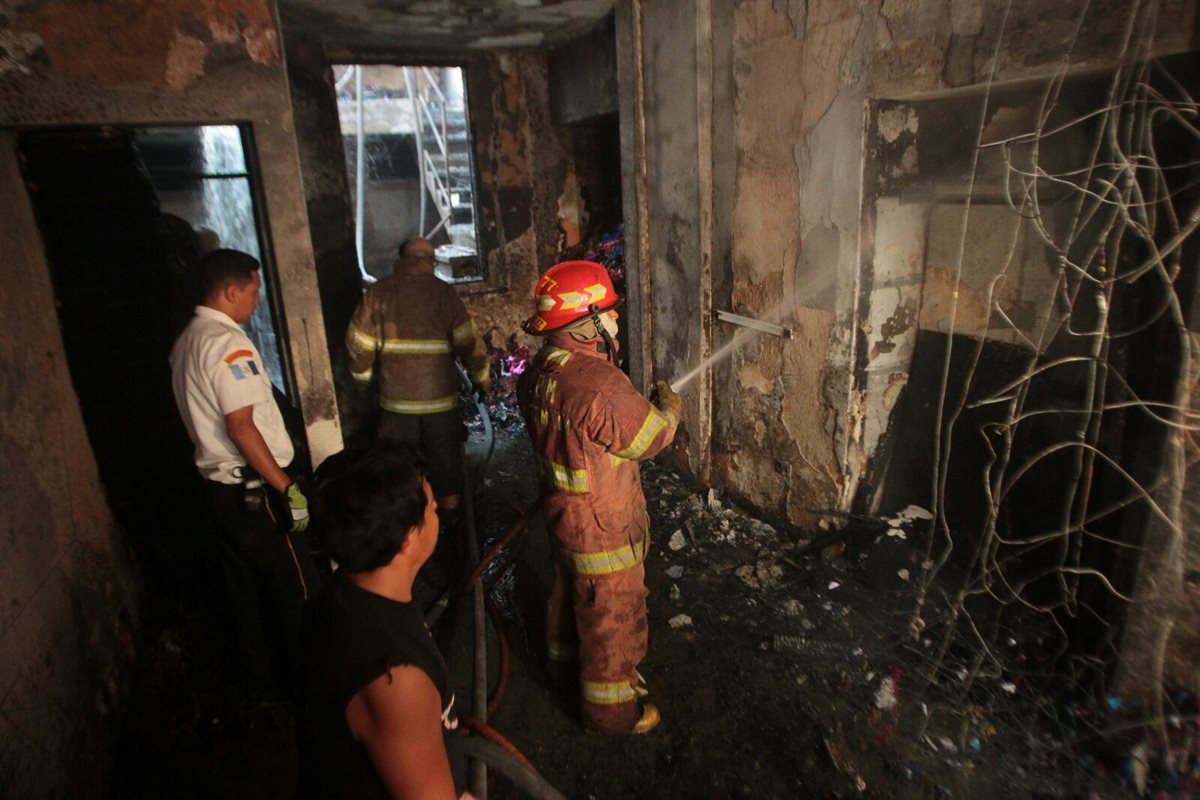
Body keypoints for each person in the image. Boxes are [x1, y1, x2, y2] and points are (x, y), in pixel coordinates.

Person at [516, 260, 682, 735]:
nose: (614, 321)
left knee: (569, 594)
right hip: (602, 527)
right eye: (607, 313)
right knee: (614, 616)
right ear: (584, 323)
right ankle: (613, 714)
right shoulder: (601, 385)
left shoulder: (540, 371)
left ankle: (563, 667)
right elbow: (650, 440)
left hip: (563, 518)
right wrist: (668, 407)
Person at [169, 248, 317, 695]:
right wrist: (288, 488)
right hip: (255, 493)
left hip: (218, 493)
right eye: (253, 292)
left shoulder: (186, 341)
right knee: (299, 589)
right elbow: (241, 427)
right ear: (231, 291)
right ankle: (312, 688)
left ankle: (266, 688)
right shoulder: (227, 343)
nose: (256, 301)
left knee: (247, 598)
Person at [297, 443, 470, 799]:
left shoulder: (343, 595)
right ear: (409, 538)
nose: (436, 513)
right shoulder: (395, 679)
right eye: (433, 508)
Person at [346, 237, 490, 575]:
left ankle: (402, 532)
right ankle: (450, 530)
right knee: (446, 461)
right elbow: (470, 343)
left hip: (397, 404)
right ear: (430, 260)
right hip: (440, 402)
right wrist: (482, 379)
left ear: (401, 258)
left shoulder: (378, 293)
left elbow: (358, 345)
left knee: (398, 465)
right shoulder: (444, 294)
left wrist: (363, 381)